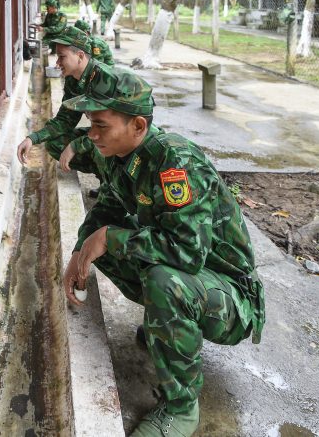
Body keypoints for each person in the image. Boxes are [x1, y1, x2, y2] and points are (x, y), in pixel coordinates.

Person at [60, 67, 265, 437]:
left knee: (161, 278)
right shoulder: (123, 158)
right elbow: (106, 209)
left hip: (232, 297)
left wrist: (110, 237)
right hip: (198, 277)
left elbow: (187, 254)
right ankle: (165, 329)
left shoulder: (175, 162)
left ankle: (182, 407)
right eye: (90, 123)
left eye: (101, 125)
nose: (91, 134)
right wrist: (79, 254)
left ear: (138, 125)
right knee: (98, 245)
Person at [16, 27, 104, 179]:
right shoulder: (73, 79)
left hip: (121, 141)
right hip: (101, 134)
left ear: (80, 56)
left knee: (102, 149)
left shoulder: (102, 80)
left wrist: (74, 146)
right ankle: (104, 176)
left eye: (62, 57)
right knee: (54, 144)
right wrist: (33, 138)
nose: (57, 64)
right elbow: (65, 120)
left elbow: (113, 132)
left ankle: (112, 186)